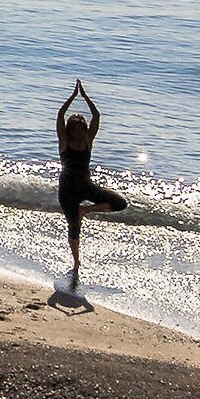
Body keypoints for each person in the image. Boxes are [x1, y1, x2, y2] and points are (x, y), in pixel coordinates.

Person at [55, 79, 128, 282]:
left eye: (81, 129)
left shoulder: (88, 141)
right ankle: (76, 262)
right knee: (74, 228)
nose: (78, 132)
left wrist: (85, 96)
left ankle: (85, 211)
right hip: (67, 192)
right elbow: (60, 116)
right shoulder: (64, 142)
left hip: (85, 187)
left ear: (85, 130)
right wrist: (71, 97)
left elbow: (96, 116)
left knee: (120, 203)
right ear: (70, 130)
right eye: (75, 129)